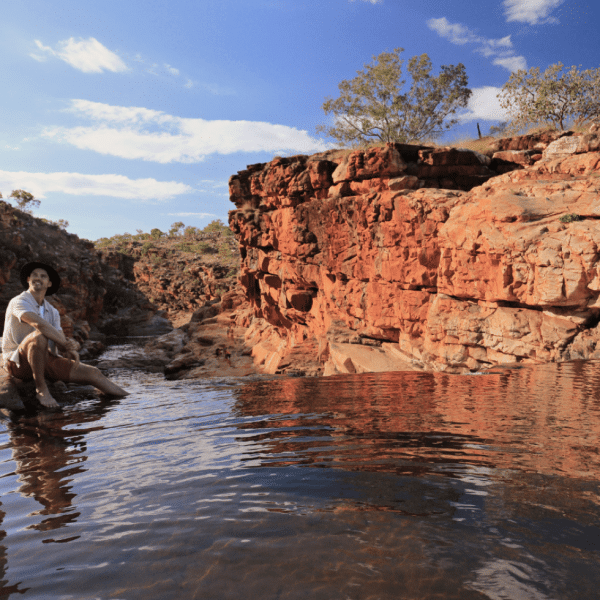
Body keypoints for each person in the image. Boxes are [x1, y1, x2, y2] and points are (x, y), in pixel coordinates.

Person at [1, 261, 128, 408]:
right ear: (28, 279)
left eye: (43, 276)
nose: (38, 278)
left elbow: (60, 342)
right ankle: (41, 389)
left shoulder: (53, 311)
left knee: (94, 372)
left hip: (45, 360)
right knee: (39, 336)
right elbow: (39, 325)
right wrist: (66, 344)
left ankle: (130, 402)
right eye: (34, 275)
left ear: (48, 284)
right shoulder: (19, 301)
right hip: (18, 363)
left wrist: (70, 345)